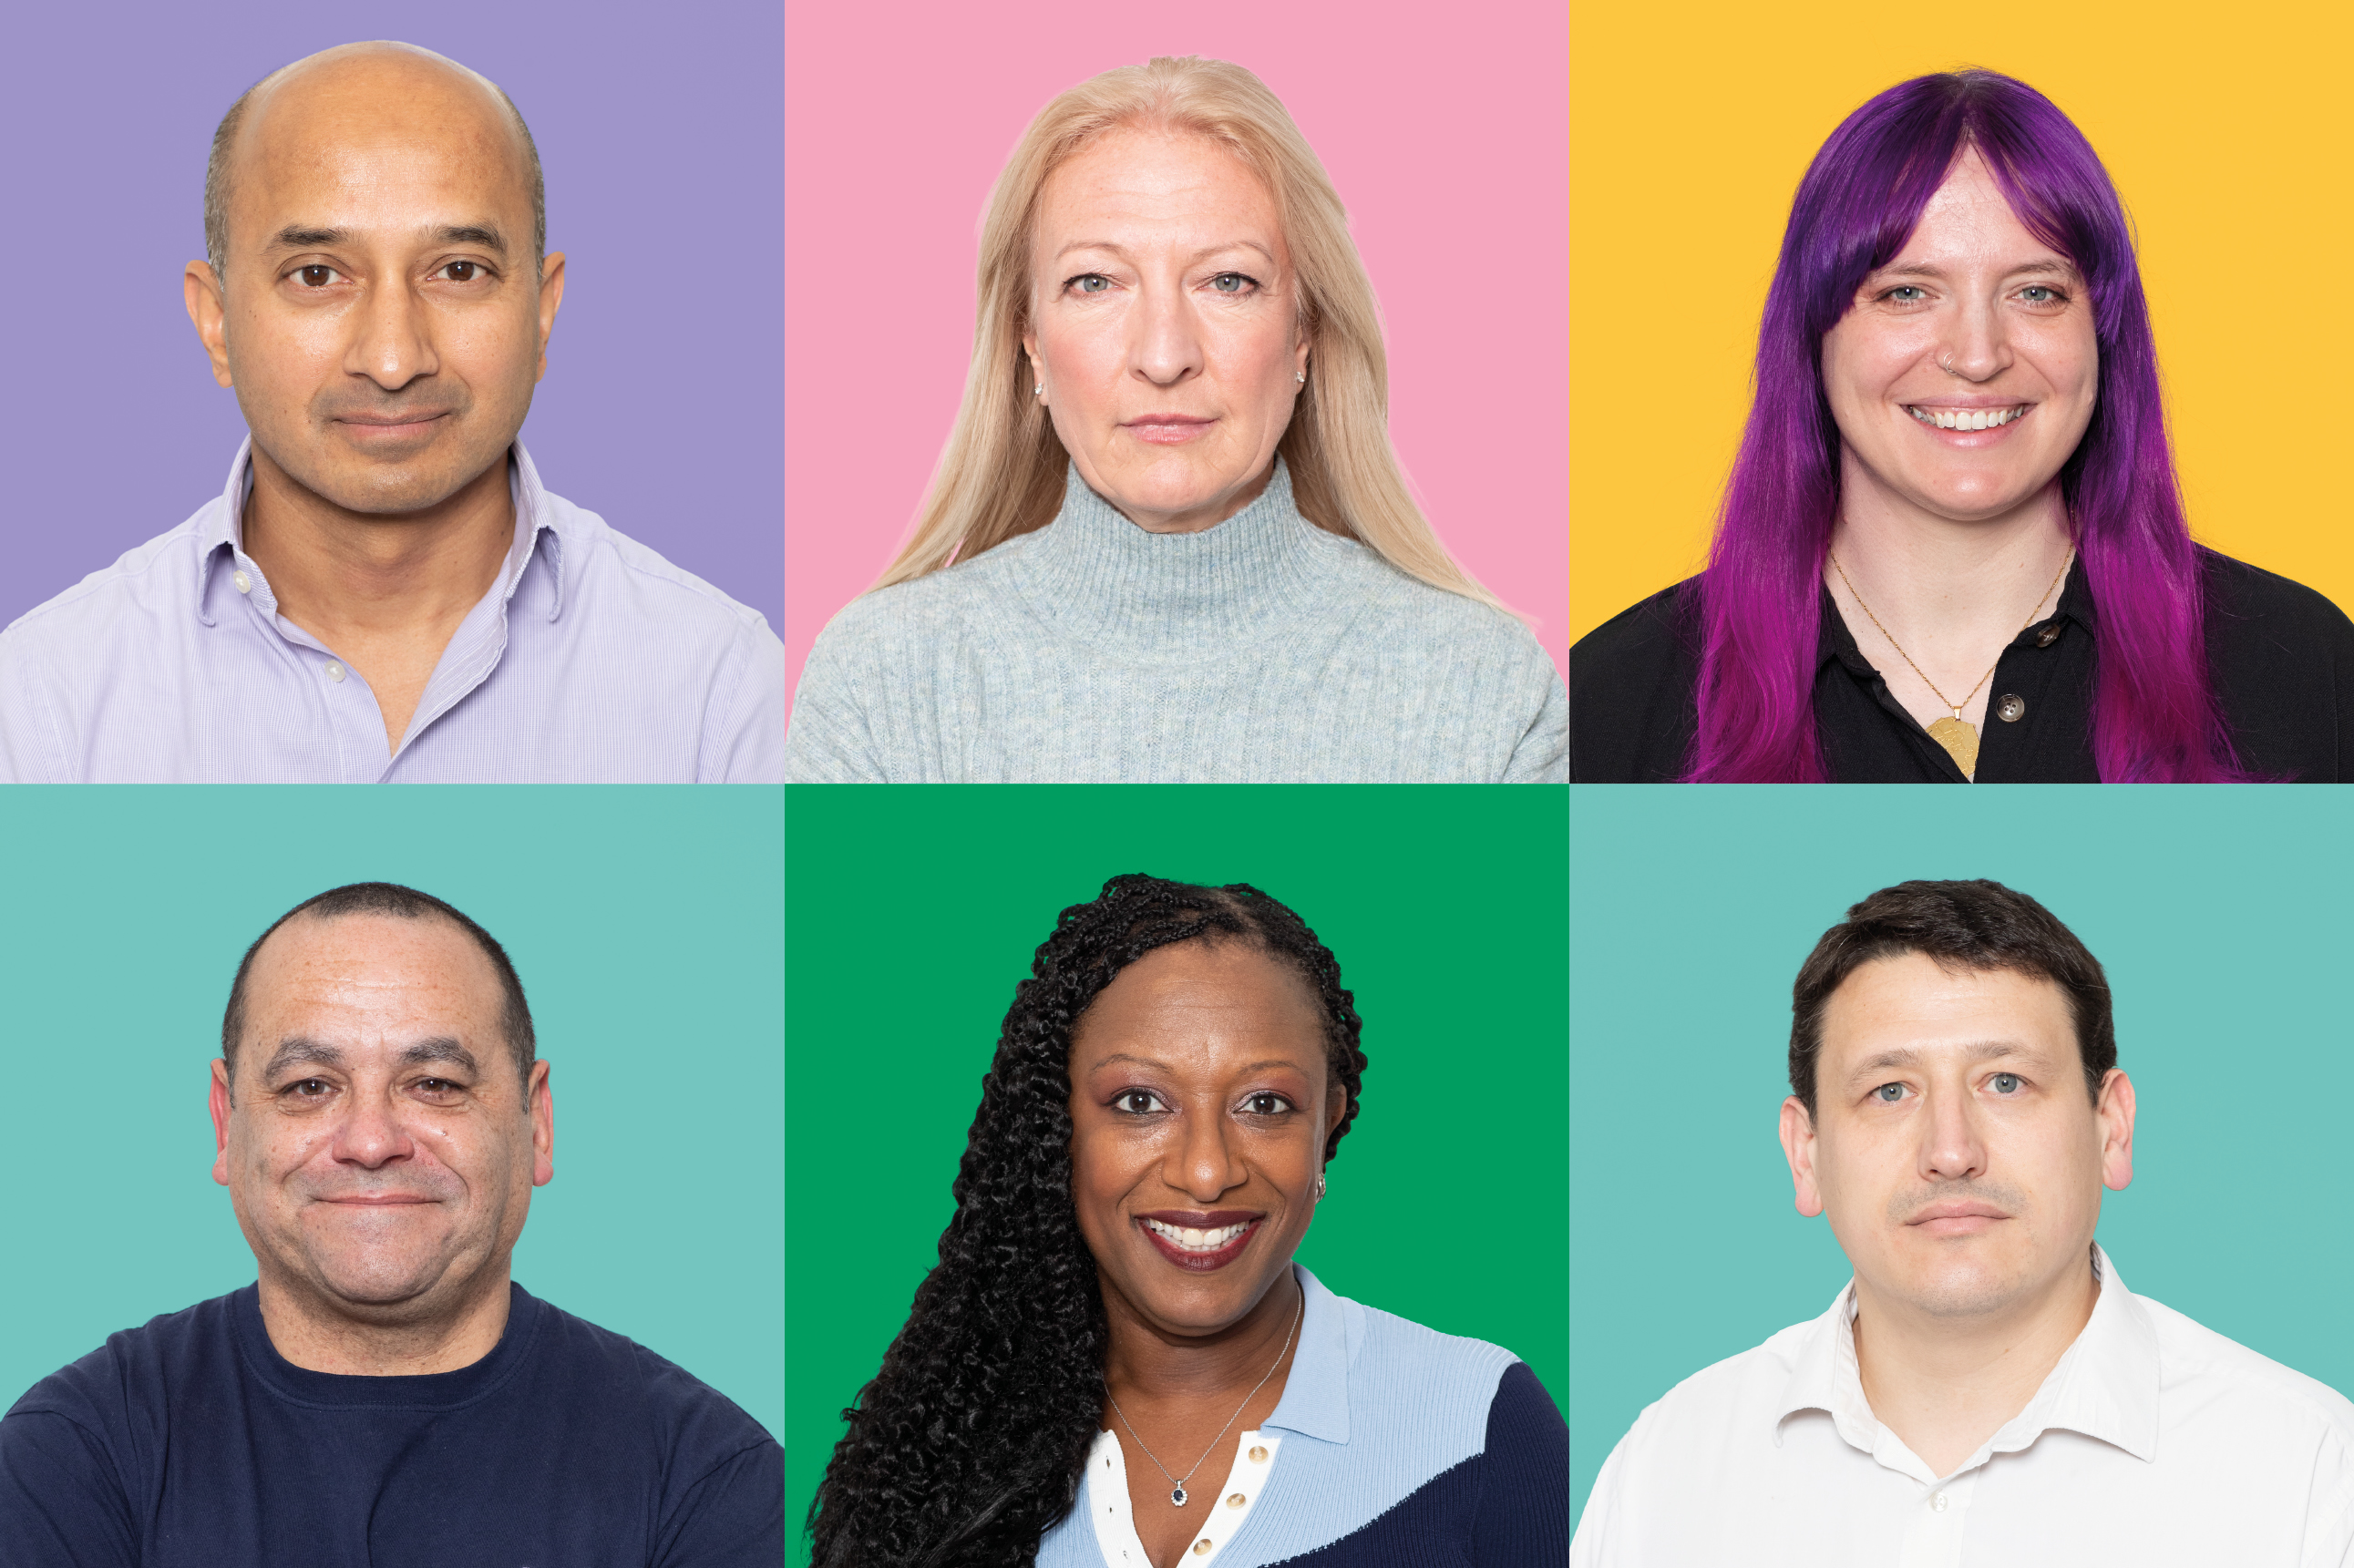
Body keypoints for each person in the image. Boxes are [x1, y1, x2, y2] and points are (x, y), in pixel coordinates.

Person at [0, 42, 785, 783]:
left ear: (542, 314)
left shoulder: (726, 692)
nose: (392, 359)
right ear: (215, 322)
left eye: (458, 270)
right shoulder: (44, 708)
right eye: (316, 274)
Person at [786, 56, 1565, 784]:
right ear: (1030, 345)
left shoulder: (1485, 690)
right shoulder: (880, 683)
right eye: (1095, 282)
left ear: (1303, 334)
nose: (1164, 356)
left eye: (1227, 280)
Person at [1570, 70, 2354, 783]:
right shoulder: (1607, 704)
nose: (1977, 357)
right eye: (1907, 293)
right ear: (1812, 335)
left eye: (2037, 292)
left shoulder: (2300, 665)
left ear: (2103, 332)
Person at [1572, 880, 2354, 1563]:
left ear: (2110, 1125)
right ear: (1805, 1151)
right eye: (1888, 1090)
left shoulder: (2310, 1471)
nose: (1950, 1151)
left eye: (2005, 1081)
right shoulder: (1665, 1468)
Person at [0, 882, 783, 1564]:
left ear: (536, 1121)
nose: (371, 1141)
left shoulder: (708, 1477)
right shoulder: (76, 1454)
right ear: (225, 1122)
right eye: (309, 1085)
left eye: (434, 1082)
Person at [808, 874, 1566, 1564]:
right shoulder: (942, 1456)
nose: (1206, 1170)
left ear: (1326, 1128)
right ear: (1056, 1128)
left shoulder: (1476, 1426)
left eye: (1264, 1104)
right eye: (1140, 1102)